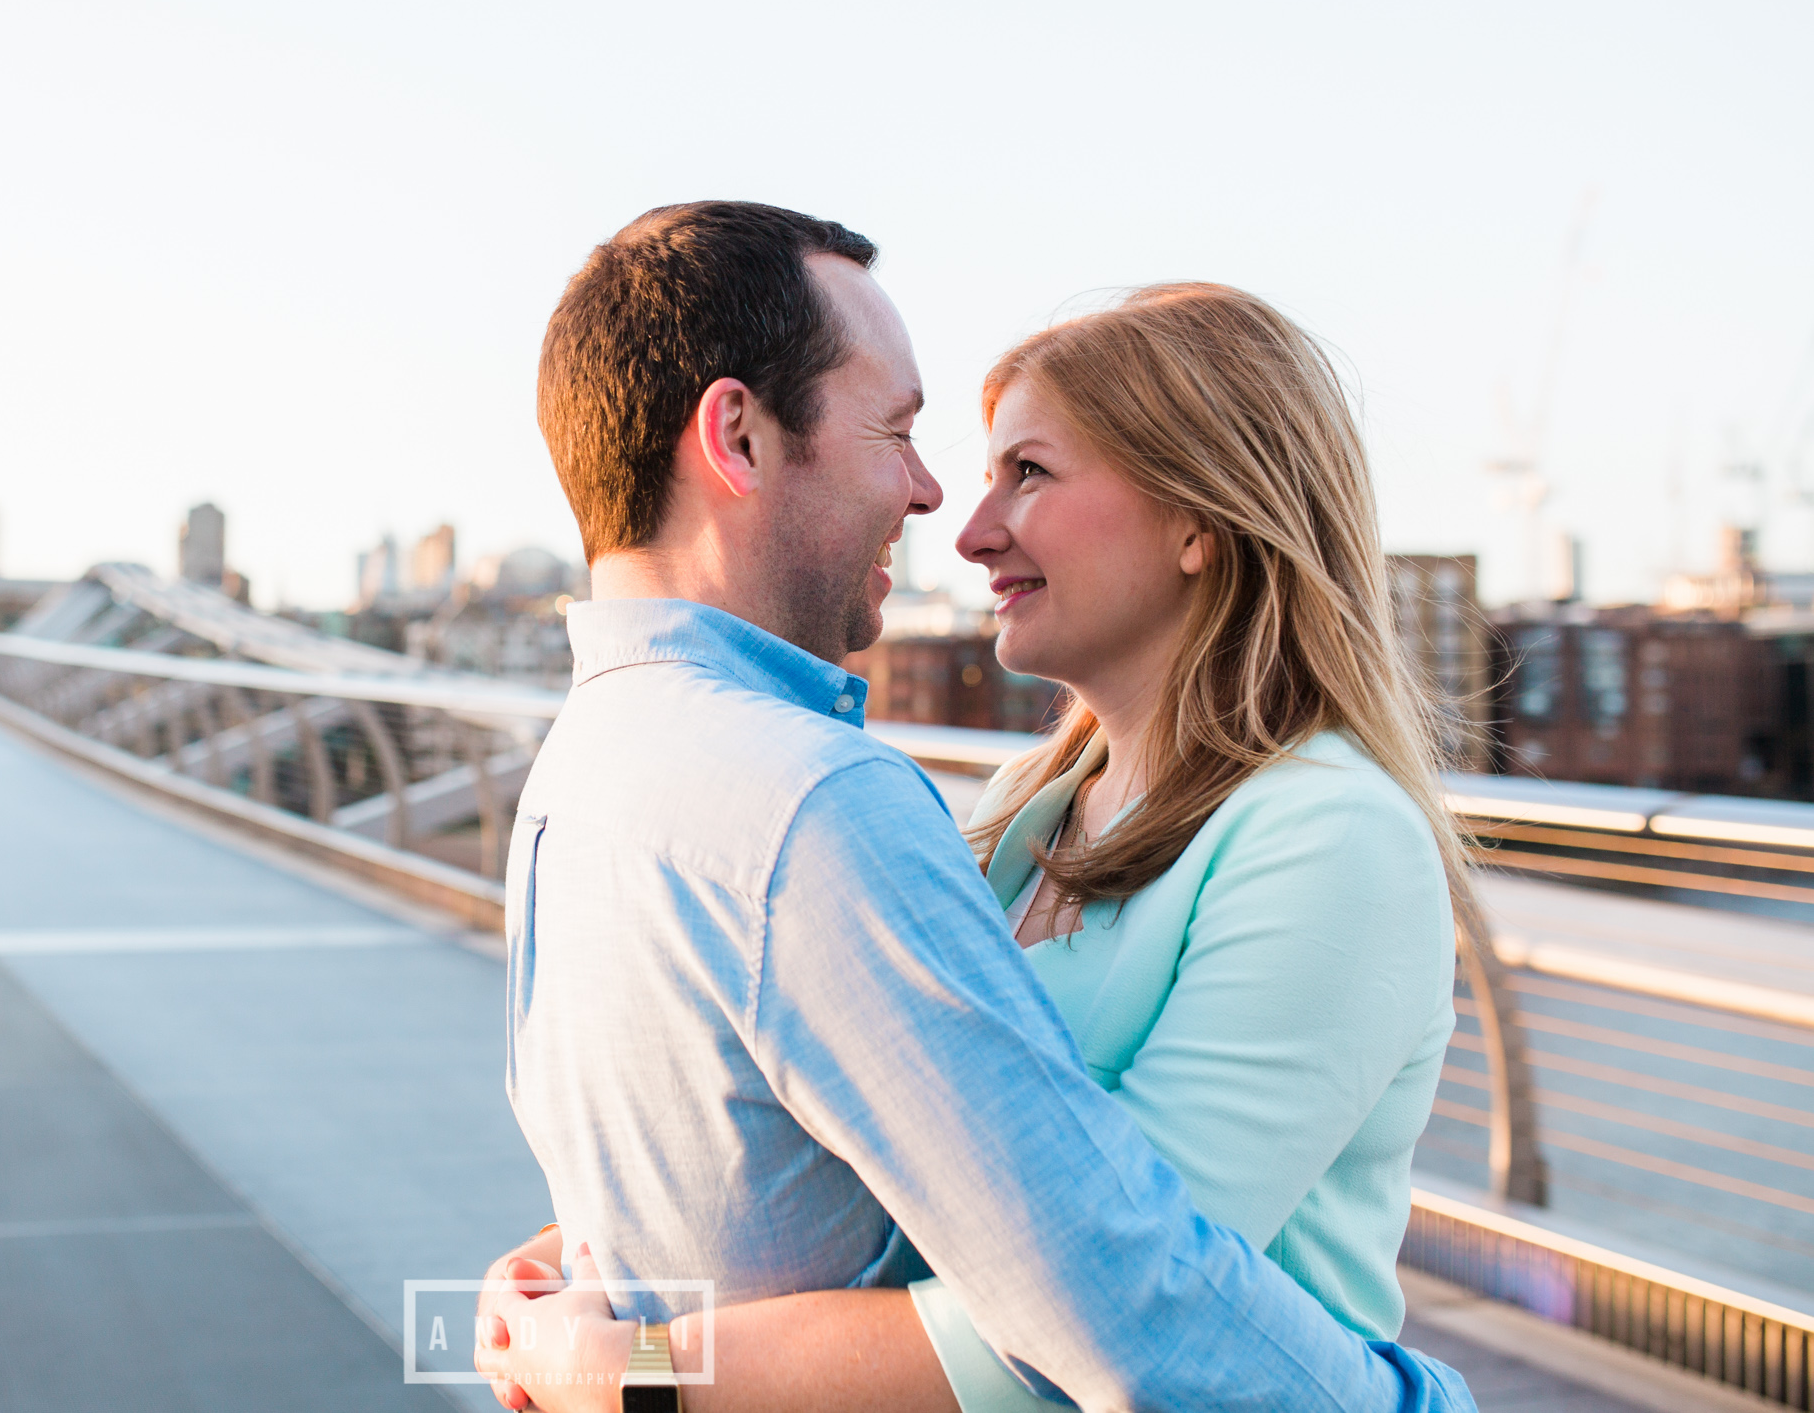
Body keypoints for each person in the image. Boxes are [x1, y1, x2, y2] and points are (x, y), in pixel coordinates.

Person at [473, 204, 1469, 1412]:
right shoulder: (1009, 812)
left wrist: (630, 1364)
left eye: (1028, 473)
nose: (966, 515)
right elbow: (899, 1168)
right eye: (923, 443)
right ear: (735, 431)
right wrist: (572, 1263)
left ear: (1202, 513)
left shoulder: (1329, 838)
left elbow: (1108, 1311)